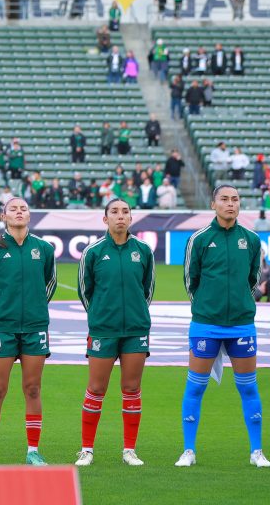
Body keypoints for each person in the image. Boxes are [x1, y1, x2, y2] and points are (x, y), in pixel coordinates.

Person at [177, 185, 270, 468]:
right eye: (224, 199)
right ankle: (188, 451)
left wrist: (241, 303)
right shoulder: (200, 239)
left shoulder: (252, 240)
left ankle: (256, 452)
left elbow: (253, 280)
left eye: (235, 199)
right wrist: (207, 306)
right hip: (206, 324)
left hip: (242, 325)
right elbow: (190, 281)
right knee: (195, 387)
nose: (230, 204)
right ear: (213, 204)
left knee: (248, 387)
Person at [0, 197, 56, 467]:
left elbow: (49, 285)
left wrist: (33, 311)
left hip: (34, 329)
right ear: (4, 216)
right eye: (13, 209)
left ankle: (33, 450)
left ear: (29, 216)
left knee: (33, 389)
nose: (19, 212)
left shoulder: (43, 248)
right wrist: (0, 314)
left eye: (23, 208)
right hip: (3, 329)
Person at [73, 199, 154, 467]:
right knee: (96, 388)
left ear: (131, 218)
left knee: (131, 388)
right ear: (105, 219)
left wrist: (135, 313)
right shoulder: (93, 252)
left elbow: (147, 290)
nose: (121, 216)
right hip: (103, 330)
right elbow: (85, 291)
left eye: (125, 212)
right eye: (115, 212)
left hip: (135, 330)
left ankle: (129, 450)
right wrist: (99, 315)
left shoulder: (143, 250)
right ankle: (86, 449)